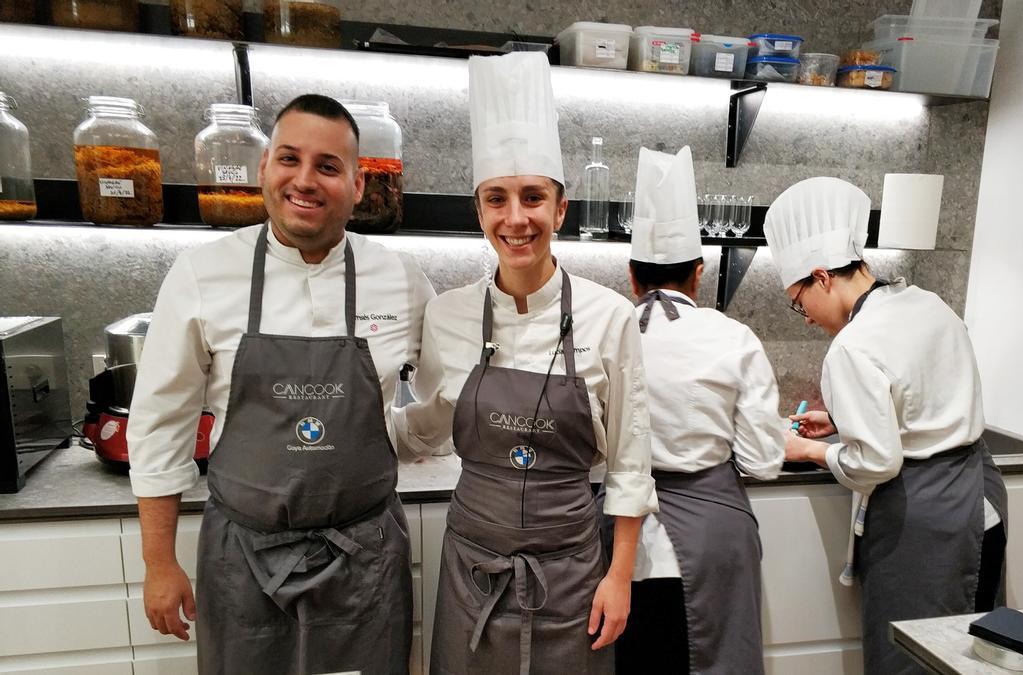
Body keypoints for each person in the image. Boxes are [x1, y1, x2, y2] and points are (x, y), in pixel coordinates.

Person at [127, 94, 434, 674]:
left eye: (328, 166)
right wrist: (158, 563)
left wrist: (402, 440)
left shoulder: (402, 279)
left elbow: (444, 395)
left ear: (358, 184)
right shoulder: (202, 275)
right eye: (290, 159)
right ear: (265, 167)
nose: (305, 180)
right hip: (242, 561)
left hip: (363, 559)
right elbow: (160, 425)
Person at [394, 51, 656, 675]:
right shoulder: (449, 315)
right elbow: (428, 425)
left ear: (560, 209)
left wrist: (619, 578)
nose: (516, 219)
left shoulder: (608, 316)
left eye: (533, 197)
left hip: (572, 571)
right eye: (497, 199)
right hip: (471, 566)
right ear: (479, 211)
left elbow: (629, 459)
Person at [763, 176, 1008, 675]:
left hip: (924, 522)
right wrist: (840, 420)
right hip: (981, 503)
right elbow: (923, 398)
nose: (805, 318)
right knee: (967, 657)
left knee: (910, 660)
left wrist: (808, 451)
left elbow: (876, 461)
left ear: (821, 276)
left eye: (798, 301)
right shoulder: (927, 303)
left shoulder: (852, 346)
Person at [605, 145, 785, 675]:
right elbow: (763, 461)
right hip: (714, 541)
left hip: (616, 543)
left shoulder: (601, 330)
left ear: (631, 276)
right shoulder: (734, 337)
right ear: (699, 273)